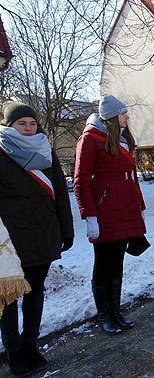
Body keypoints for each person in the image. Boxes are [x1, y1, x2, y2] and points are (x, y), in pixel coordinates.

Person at [0, 102, 74, 376]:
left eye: (32, 123)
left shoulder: (46, 149)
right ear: (9, 126)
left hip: (43, 232)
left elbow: (60, 195)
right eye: (22, 124)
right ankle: (13, 349)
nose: (29, 129)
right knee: (10, 297)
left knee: (35, 292)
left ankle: (31, 343)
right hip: (10, 241)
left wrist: (66, 230)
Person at [74, 95, 146, 335]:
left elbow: (131, 177)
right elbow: (81, 180)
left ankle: (115, 311)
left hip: (124, 207)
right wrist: (90, 216)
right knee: (103, 264)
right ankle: (104, 314)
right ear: (114, 116)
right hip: (105, 210)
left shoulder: (121, 139)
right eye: (123, 113)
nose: (127, 116)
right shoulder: (90, 138)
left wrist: (138, 206)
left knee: (117, 263)